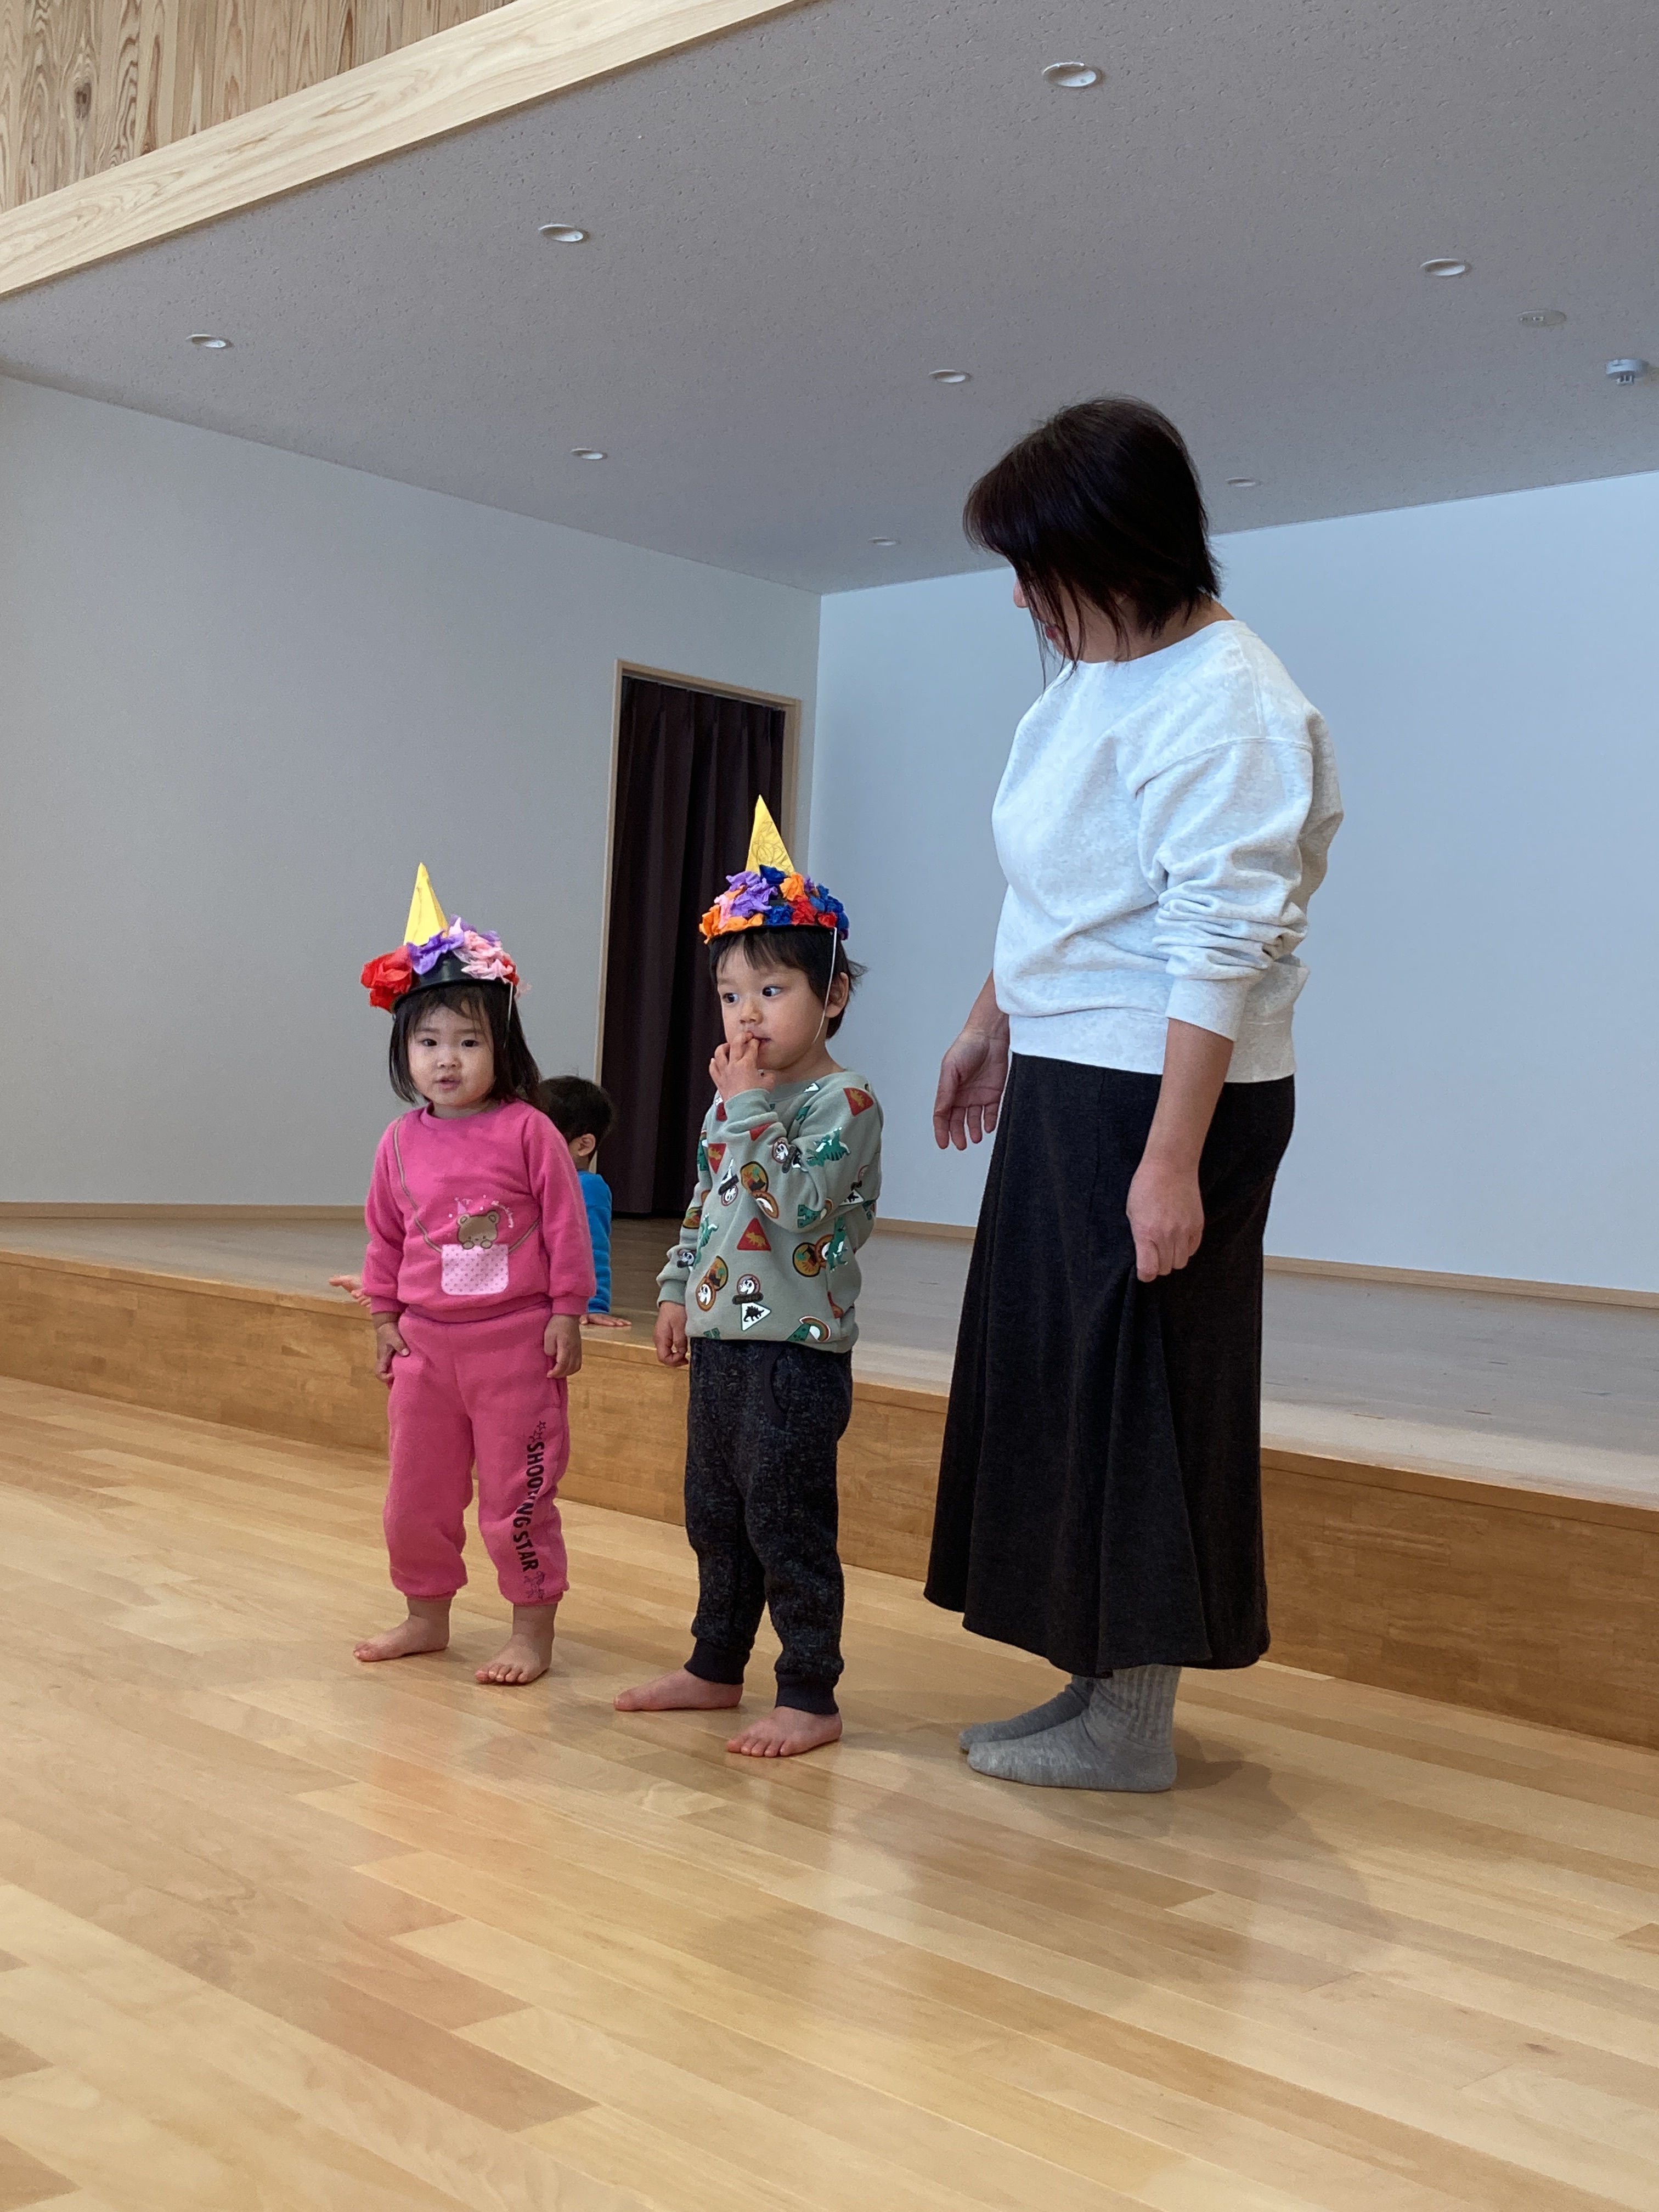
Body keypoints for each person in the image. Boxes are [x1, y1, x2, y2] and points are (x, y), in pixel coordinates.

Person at [927, 397, 1342, 1792]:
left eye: (1040, 572)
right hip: (1075, 1073)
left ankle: (1132, 1725)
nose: (1026, 602)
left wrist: (1171, 1160)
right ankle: (1093, 1681)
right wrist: (992, 1019)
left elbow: (1217, 943)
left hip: (1166, 1094)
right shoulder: (1092, 674)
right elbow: (1063, 887)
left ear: (1123, 552)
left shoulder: (1234, 706)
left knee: (1144, 1392)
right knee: (1065, 1384)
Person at [616, 800, 882, 1758]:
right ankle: (714, 1663)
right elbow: (707, 1204)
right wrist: (672, 1288)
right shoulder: (733, 1102)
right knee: (715, 1512)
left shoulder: (843, 1101)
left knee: (784, 1517)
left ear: (832, 995)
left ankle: (809, 1691)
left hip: (796, 1355)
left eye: (772, 989)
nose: (748, 1013)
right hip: (724, 1342)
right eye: (732, 995)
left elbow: (799, 1206)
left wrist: (749, 1110)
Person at [350, 866, 595, 1686]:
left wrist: (567, 1311)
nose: (447, 1060)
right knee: (415, 1496)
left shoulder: (529, 1132)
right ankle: (425, 1617)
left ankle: (531, 1629)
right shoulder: (398, 1142)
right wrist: (383, 1315)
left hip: (514, 1349)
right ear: (404, 1051)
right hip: (425, 1351)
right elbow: (386, 1235)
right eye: (428, 1043)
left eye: (468, 1041)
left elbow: (564, 1226)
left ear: (503, 1049)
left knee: (518, 1498)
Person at [537, 1076, 630, 1329]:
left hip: (560, 1309)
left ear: (584, 1145)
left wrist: (593, 1304)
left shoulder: (587, 1187)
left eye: (541, 1139)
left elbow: (593, 1250)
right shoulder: (528, 1183)